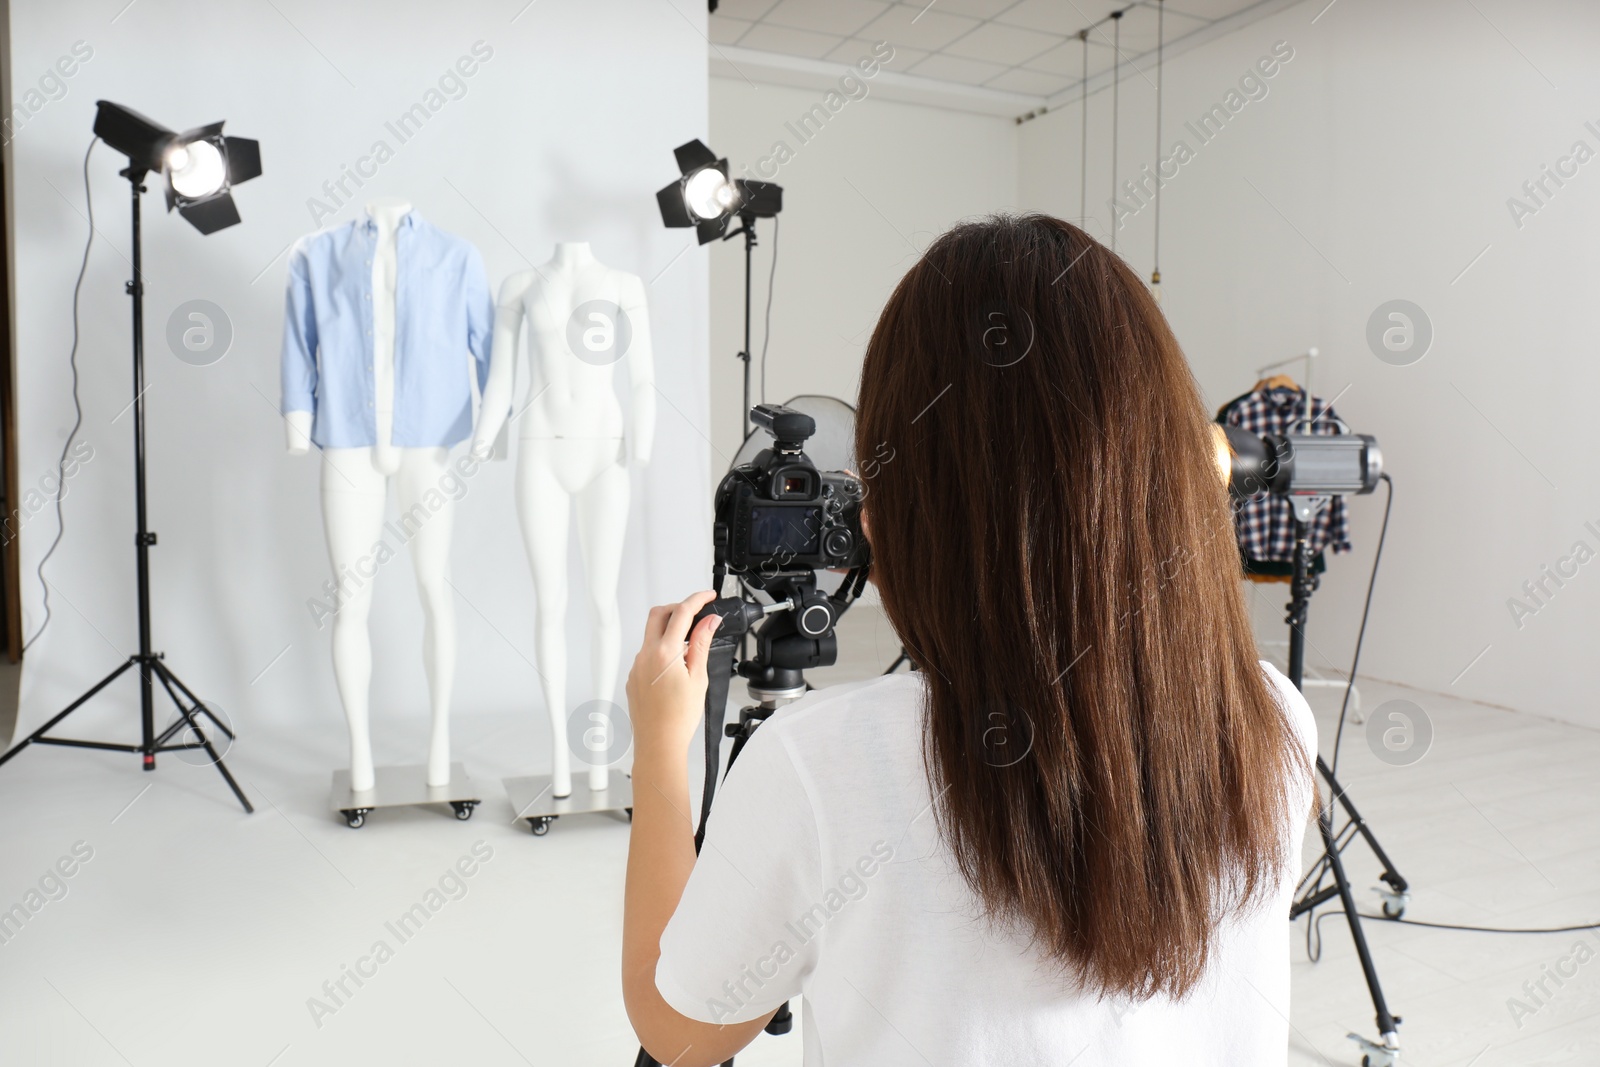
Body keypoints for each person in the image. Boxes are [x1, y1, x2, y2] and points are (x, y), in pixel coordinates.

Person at [621, 214, 1317, 1066]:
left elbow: (681, 1034)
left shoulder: (821, 763)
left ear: (903, 499)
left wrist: (658, 750)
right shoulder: (1276, 717)